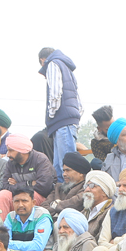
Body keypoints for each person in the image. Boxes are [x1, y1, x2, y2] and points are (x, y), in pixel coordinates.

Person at [38, 48, 82, 182]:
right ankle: (61, 190)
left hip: (62, 120)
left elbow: (55, 92)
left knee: (67, 164)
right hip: (68, 119)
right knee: (59, 165)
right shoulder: (67, 67)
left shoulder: (53, 63)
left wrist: (51, 114)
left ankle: (69, 191)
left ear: (42, 60)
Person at [3, 186, 52, 251]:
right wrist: (8, 245)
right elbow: (3, 244)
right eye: (17, 201)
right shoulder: (10, 217)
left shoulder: (42, 216)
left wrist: (11, 245)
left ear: (33, 202)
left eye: (24, 201)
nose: (20, 205)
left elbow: (38, 247)